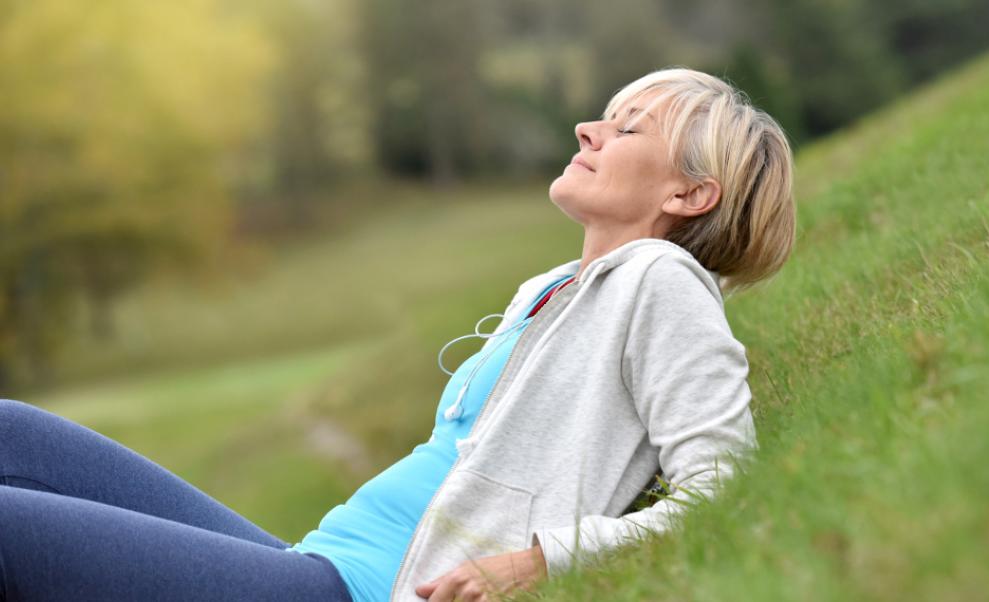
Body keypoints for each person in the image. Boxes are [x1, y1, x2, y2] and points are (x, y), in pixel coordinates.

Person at [0, 66, 794, 602]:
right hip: (313, 560)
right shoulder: (552, 289)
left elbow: (723, 482)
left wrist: (538, 561)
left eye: (627, 131)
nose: (588, 129)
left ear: (692, 192)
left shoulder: (663, 284)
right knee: (15, 435)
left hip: (362, 591)